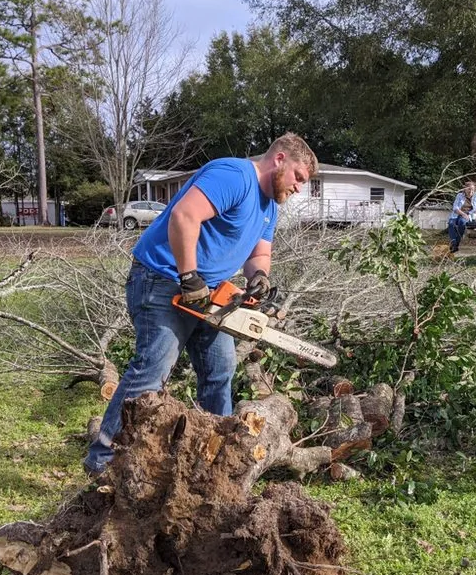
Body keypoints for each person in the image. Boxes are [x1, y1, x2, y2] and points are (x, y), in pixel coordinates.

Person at [83, 133, 319, 477]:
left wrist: (259, 278)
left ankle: (211, 459)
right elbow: (184, 215)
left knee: (220, 369)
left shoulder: (269, 207)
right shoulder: (235, 176)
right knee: (153, 369)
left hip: (208, 295)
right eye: (298, 177)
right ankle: (102, 459)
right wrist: (189, 276)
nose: (298, 187)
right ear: (279, 159)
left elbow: (260, 253)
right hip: (163, 278)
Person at [447, 180, 476, 253]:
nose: (471, 191)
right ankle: (454, 242)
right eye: (469, 189)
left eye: (472, 189)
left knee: (462, 222)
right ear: (465, 189)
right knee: (451, 223)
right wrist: (463, 214)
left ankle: (456, 244)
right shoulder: (459, 195)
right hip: (458, 213)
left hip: (468, 214)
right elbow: (455, 207)